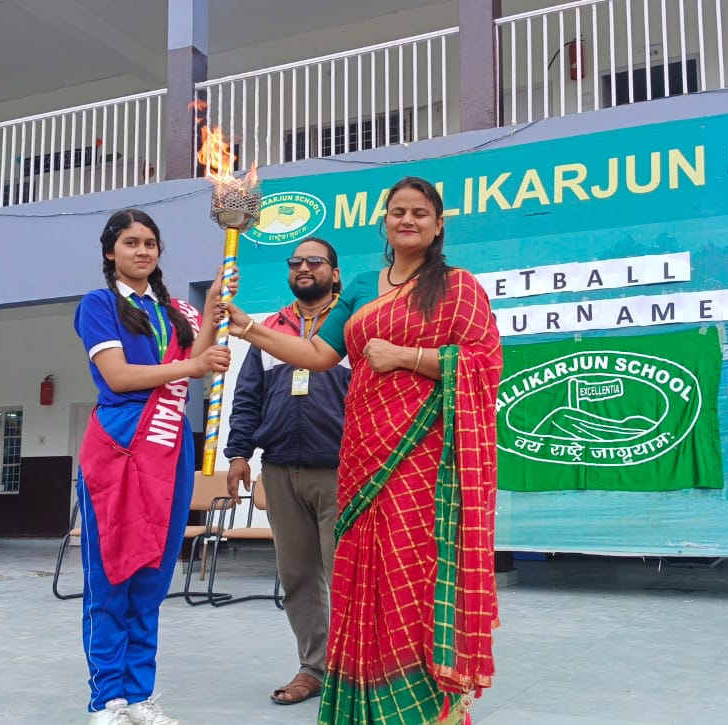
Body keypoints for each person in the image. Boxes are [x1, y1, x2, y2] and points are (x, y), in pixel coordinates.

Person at [222, 177, 503, 725]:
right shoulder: (357, 288)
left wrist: (404, 356)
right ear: (385, 222)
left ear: (438, 225)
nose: (407, 220)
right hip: (362, 452)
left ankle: (427, 706)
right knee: (365, 580)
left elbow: (484, 363)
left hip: (422, 457)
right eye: (397, 211)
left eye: (419, 212)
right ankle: (370, 702)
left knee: (413, 573)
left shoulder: (458, 287)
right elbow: (315, 354)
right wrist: (249, 328)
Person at [74, 208, 230, 725]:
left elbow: (197, 358)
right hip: (120, 446)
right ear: (110, 252)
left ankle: (140, 695)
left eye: (150, 243)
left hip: (169, 448)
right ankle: (107, 700)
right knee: (111, 576)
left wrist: (210, 309)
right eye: (131, 242)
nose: (142, 251)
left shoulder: (174, 309)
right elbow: (118, 376)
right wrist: (194, 364)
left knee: (152, 577)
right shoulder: (99, 304)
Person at [223, 237, 352, 707]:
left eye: (315, 261)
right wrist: (239, 454)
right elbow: (247, 397)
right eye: (295, 261)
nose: (303, 267)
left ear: (334, 274)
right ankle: (314, 668)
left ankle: (353, 671)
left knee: (347, 577)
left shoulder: (351, 325)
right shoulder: (271, 328)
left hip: (342, 471)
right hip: (278, 469)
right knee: (297, 576)